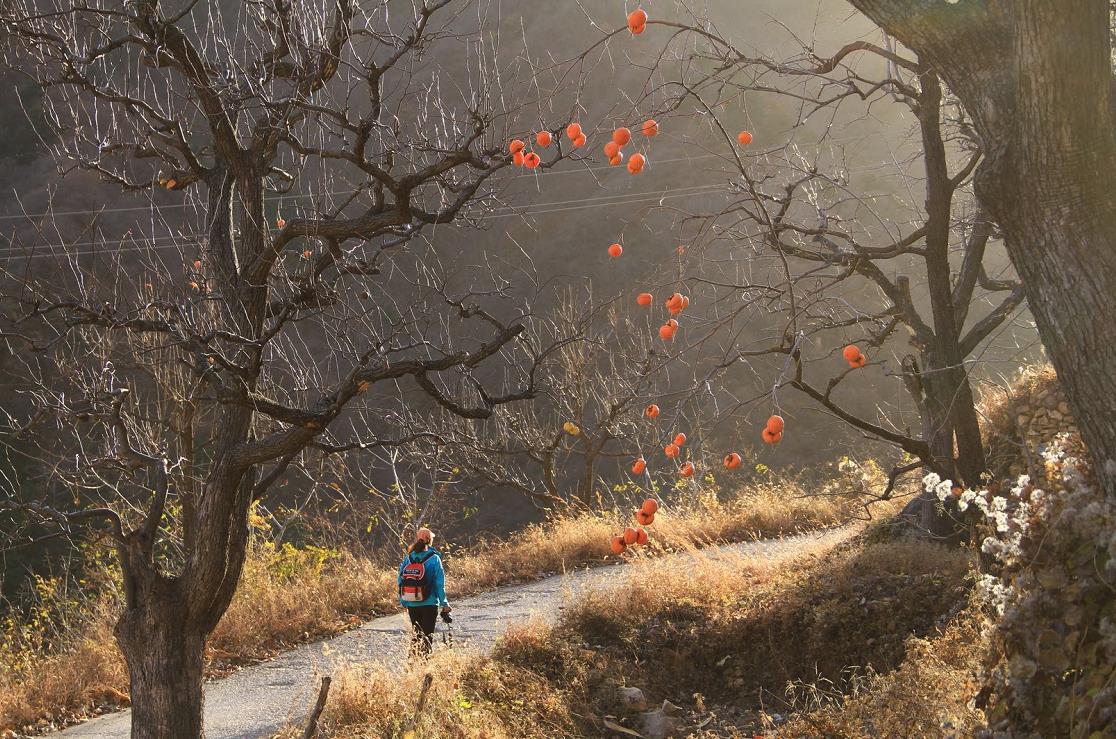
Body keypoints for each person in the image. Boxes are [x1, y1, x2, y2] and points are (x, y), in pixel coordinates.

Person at [398, 527, 451, 657]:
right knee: (427, 636)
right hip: (429, 603)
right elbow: (439, 584)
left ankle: (413, 662)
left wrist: (403, 601)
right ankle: (423, 664)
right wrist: (444, 604)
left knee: (417, 635)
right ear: (429, 540)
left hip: (411, 603)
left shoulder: (409, 558)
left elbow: (400, 580)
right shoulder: (434, 559)